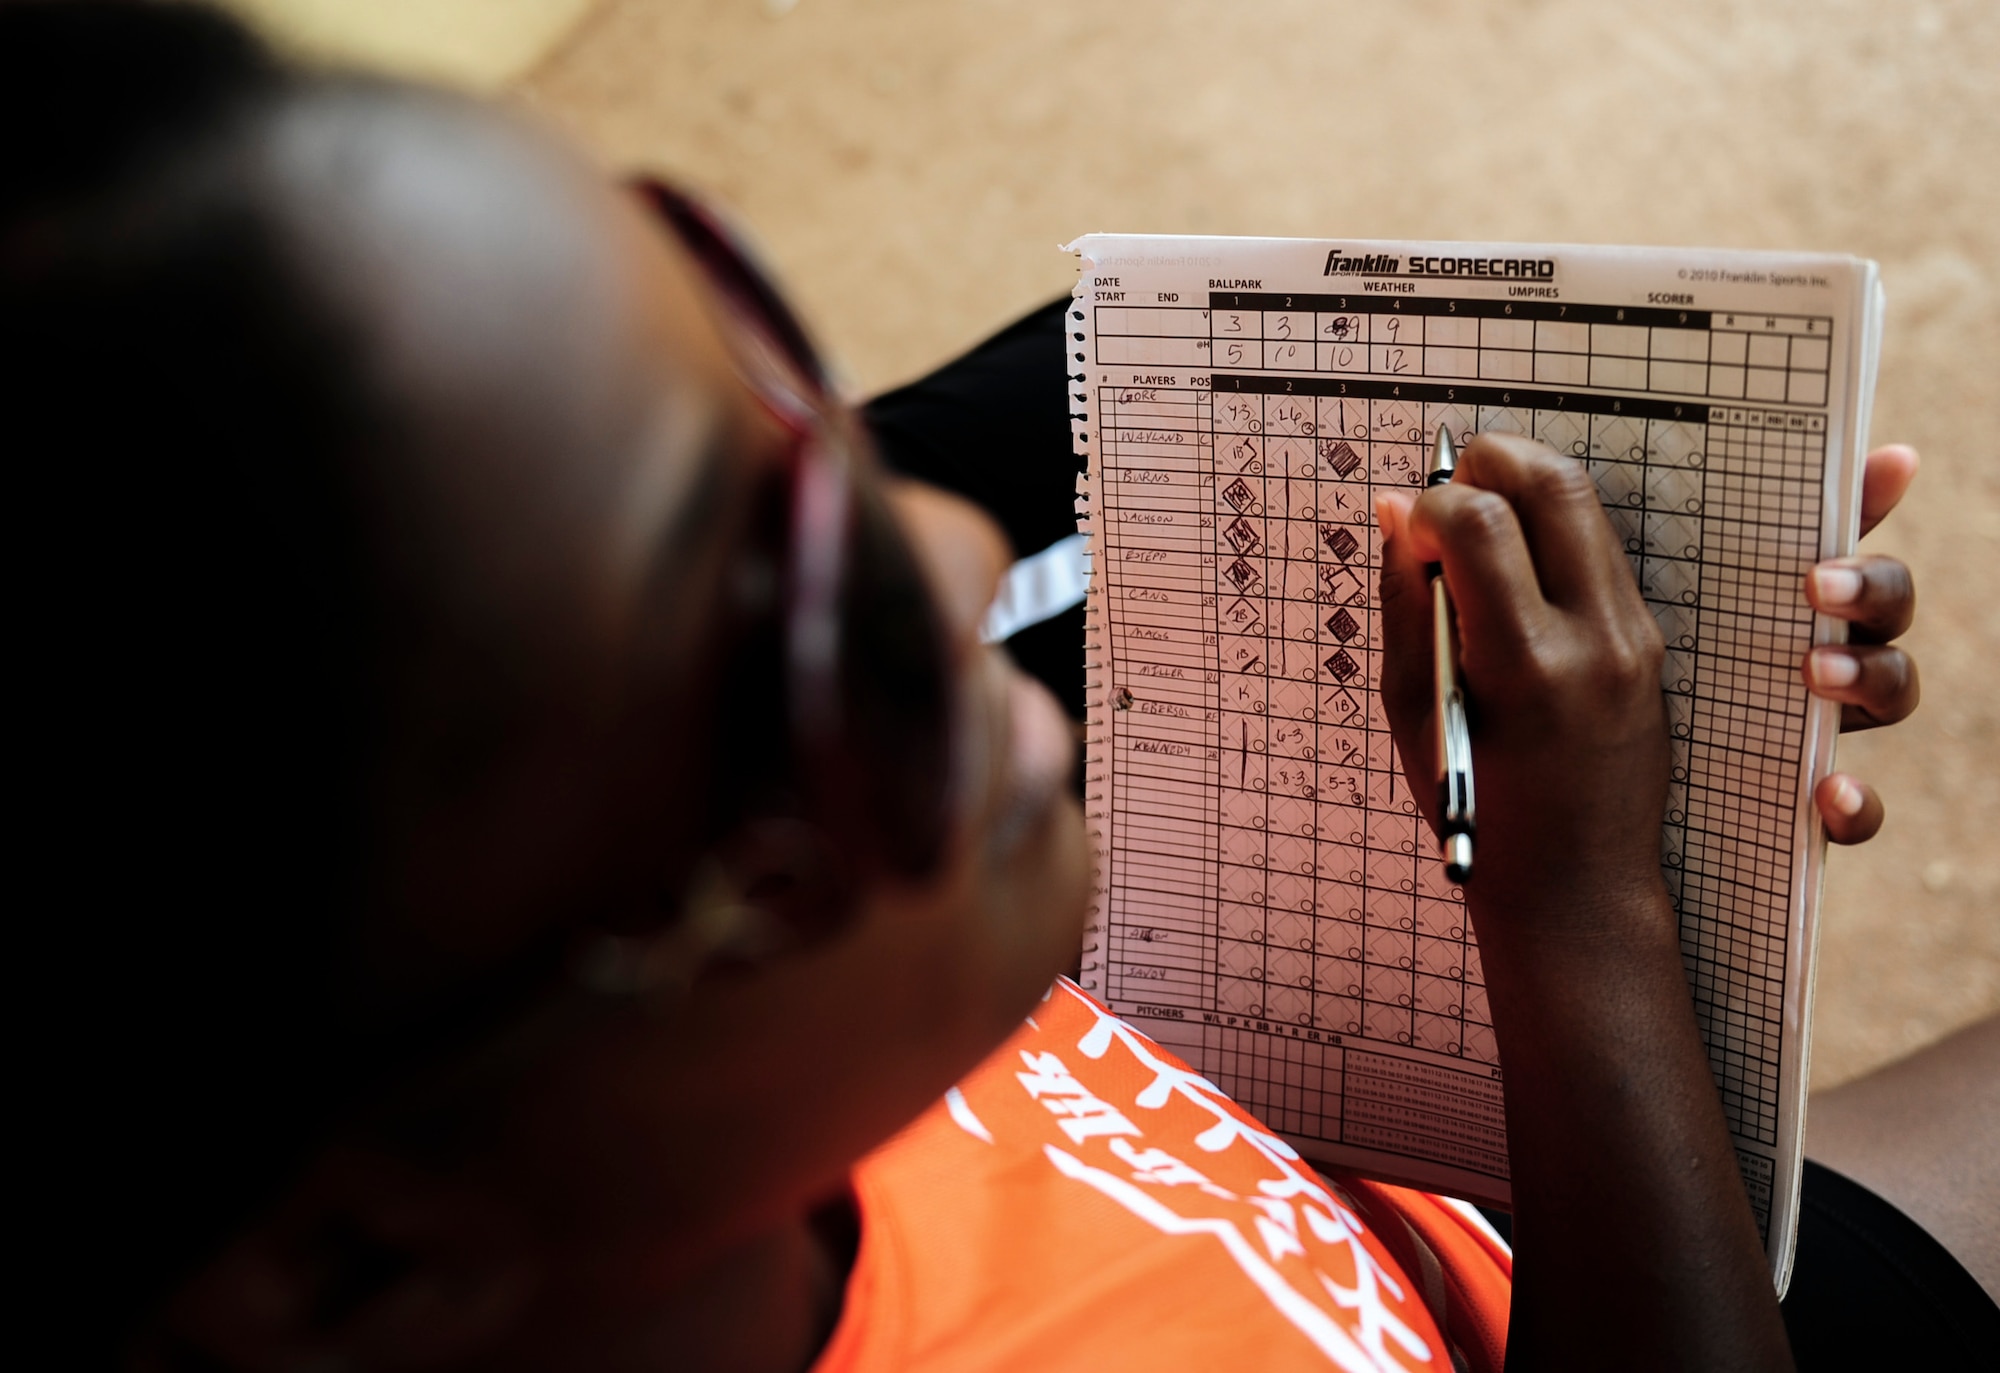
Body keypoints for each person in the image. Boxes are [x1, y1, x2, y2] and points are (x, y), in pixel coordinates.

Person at [8, 3, 1988, 1368]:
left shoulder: (565, 949)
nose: (949, 570)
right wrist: (1584, 918)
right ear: (365, 1262)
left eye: (748, 345)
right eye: (796, 643)